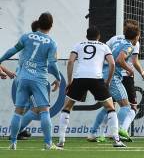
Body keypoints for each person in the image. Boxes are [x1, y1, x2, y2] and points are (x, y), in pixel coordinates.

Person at [57, 26, 126, 148]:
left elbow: (70, 61)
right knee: (110, 107)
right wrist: (108, 81)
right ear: (98, 36)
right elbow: (112, 63)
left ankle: (61, 140)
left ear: (86, 36)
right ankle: (116, 140)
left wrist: (69, 81)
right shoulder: (104, 46)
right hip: (96, 78)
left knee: (67, 107)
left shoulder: (78, 45)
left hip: (80, 78)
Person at [0, 12, 61, 150]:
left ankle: (13, 143)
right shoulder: (51, 42)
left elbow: (12, 50)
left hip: (22, 77)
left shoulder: (26, 36)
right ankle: (48, 143)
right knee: (45, 110)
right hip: (38, 79)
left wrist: (0, 60)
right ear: (51, 26)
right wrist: (58, 77)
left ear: (38, 23)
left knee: (18, 111)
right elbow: (52, 64)